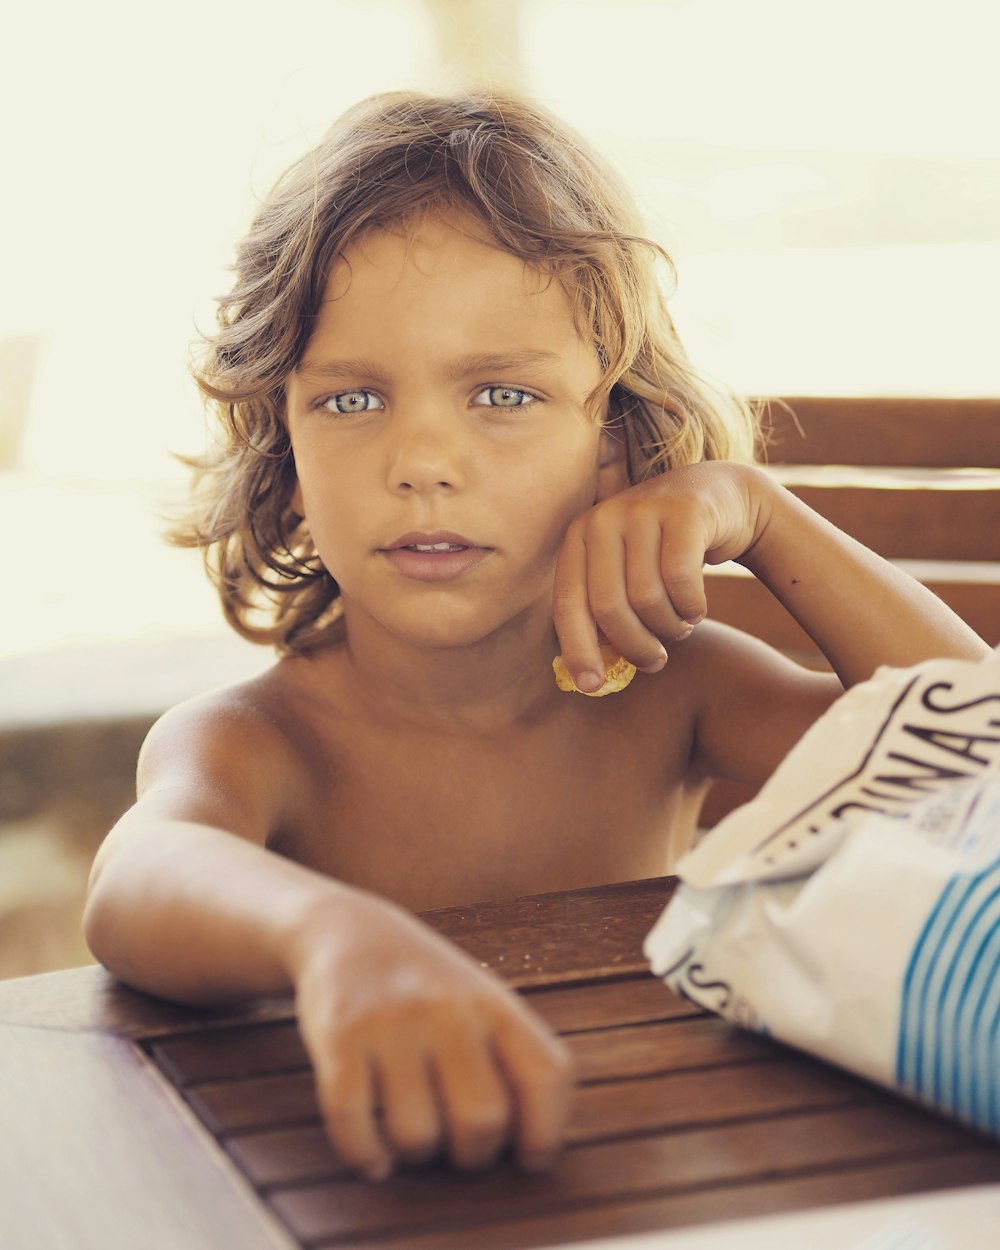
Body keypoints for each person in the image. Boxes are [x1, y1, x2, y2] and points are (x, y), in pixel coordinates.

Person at [83, 90, 988, 1183]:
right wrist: (332, 938)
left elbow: (970, 757)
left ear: (611, 444)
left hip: (639, 1164)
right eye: (351, 400)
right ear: (285, 451)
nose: (422, 459)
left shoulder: (677, 690)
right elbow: (138, 877)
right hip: (351, 1181)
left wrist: (762, 511)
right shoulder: (258, 736)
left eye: (501, 392)